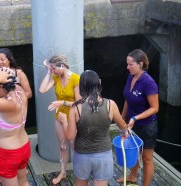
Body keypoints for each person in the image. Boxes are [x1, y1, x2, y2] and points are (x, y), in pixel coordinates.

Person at [57, 70, 129, 186]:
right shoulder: (111, 104)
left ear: (81, 86)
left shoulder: (75, 108)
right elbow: (123, 126)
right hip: (103, 155)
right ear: (99, 83)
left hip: (82, 155)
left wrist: (64, 121)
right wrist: (126, 132)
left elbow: (70, 136)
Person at [117, 49, 159, 186]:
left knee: (147, 158)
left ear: (140, 64)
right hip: (131, 124)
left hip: (147, 126)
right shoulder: (131, 76)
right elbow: (128, 99)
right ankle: (132, 176)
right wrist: (122, 118)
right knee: (134, 152)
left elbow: (155, 108)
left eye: (130, 64)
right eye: (127, 64)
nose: (127, 67)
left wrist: (135, 118)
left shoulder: (149, 82)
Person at [39, 54, 81, 184]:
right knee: (62, 146)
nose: (53, 71)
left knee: (74, 145)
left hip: (73, 116)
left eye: (54, 68)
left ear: (62, 66)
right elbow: (42, 90)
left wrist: (62, 102)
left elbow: (79, 102)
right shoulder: (56, 77)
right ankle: (63, 172)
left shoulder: (76, 78)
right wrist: (48, 72)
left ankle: (78, 172)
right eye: (51, 69)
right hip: (59, 116)